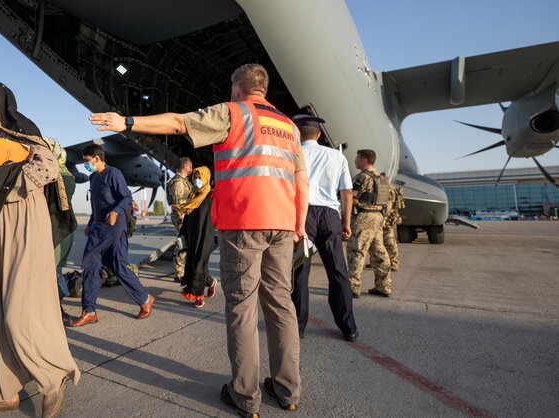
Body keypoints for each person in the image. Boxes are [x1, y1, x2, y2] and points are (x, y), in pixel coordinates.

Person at [89, 63, 308, 415]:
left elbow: (179, 123)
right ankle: (288, 391)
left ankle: (245, 395)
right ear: (264, 89)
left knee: (241, 308)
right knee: (282, 306)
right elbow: (301, 182)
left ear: (238, 87)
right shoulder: (288, 126)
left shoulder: (234, 113)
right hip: (282, 225)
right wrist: (299, 225)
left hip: (244, 224)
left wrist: (127, 122)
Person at [0, 81, 79, 418]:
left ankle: (54, 378)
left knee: (19, 310)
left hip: (24, 220)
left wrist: (6, 184)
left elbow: (47, 169)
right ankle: (2, 391)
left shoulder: (24, 133)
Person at [289, 115, 358, 342]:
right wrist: (345, 222)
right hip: (330, 216)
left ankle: (298, 326)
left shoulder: (291, 154)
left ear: (297, 133)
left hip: (302, 214)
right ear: (319, 134)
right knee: (338, 272)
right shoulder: (337, 156)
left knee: (300, 272)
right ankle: (349, 327)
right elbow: (346, 192)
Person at [69, 144, 154, 327]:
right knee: (92, 265)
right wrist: (91, 223)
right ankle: (89, 310)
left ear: (97, 158)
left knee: (118, 266)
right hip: (98, 228)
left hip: (114, 227)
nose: (86, 164)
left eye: (86, 161)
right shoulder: (93, 178)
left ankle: (145, 299)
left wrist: (116, 212)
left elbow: (126, 197)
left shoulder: (113, 174)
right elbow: (96, 205)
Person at [347, 149, 392, 298]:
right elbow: (389, 201)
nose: (355, 161)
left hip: (364, 218)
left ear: (364, 160)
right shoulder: (383, 179)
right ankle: (383, 286)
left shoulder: (362, 178)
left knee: (356, 251)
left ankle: (353, 287)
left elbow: (350, 197)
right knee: (379, 252)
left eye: (357, 158)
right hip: (378, 218)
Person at [44, 137, 78, 326]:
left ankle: (59, 312)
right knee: (52, 272)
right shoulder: (62, 175)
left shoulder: (61, 178)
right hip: (57, 230)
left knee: (52, 272)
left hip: (56, 231)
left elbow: (52, 206)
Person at [173, 166, 217, 308]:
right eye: (195, 177)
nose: (197, 180)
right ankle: (211, 282)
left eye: (200, 177)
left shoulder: (211, 195)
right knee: (194, 261)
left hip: (205, 235)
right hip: (192, 234)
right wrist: (183, 235)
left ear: (206, 178)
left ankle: (199, 296)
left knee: (199, 263)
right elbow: (187, 217)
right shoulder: (193, 195)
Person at [167, 156, 193, 282]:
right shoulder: (178, 182)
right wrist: (182, 219)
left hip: (185, 215)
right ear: (185, 166)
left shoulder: (184, 181)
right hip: (181, 216)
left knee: (184, 243)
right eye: (190, 166)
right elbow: (178, 203)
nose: (192, 168)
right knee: (181, 243)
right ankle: (179, 272)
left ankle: (183, 270)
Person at [383, 183, 404, 271]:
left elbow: (388, 205)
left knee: (389, 241)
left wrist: (384, 218)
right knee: (382, 241)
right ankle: (381, 261)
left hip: (388, 218)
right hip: (389, 216)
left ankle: (393, 263)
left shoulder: (386, 188)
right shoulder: (391, 187)